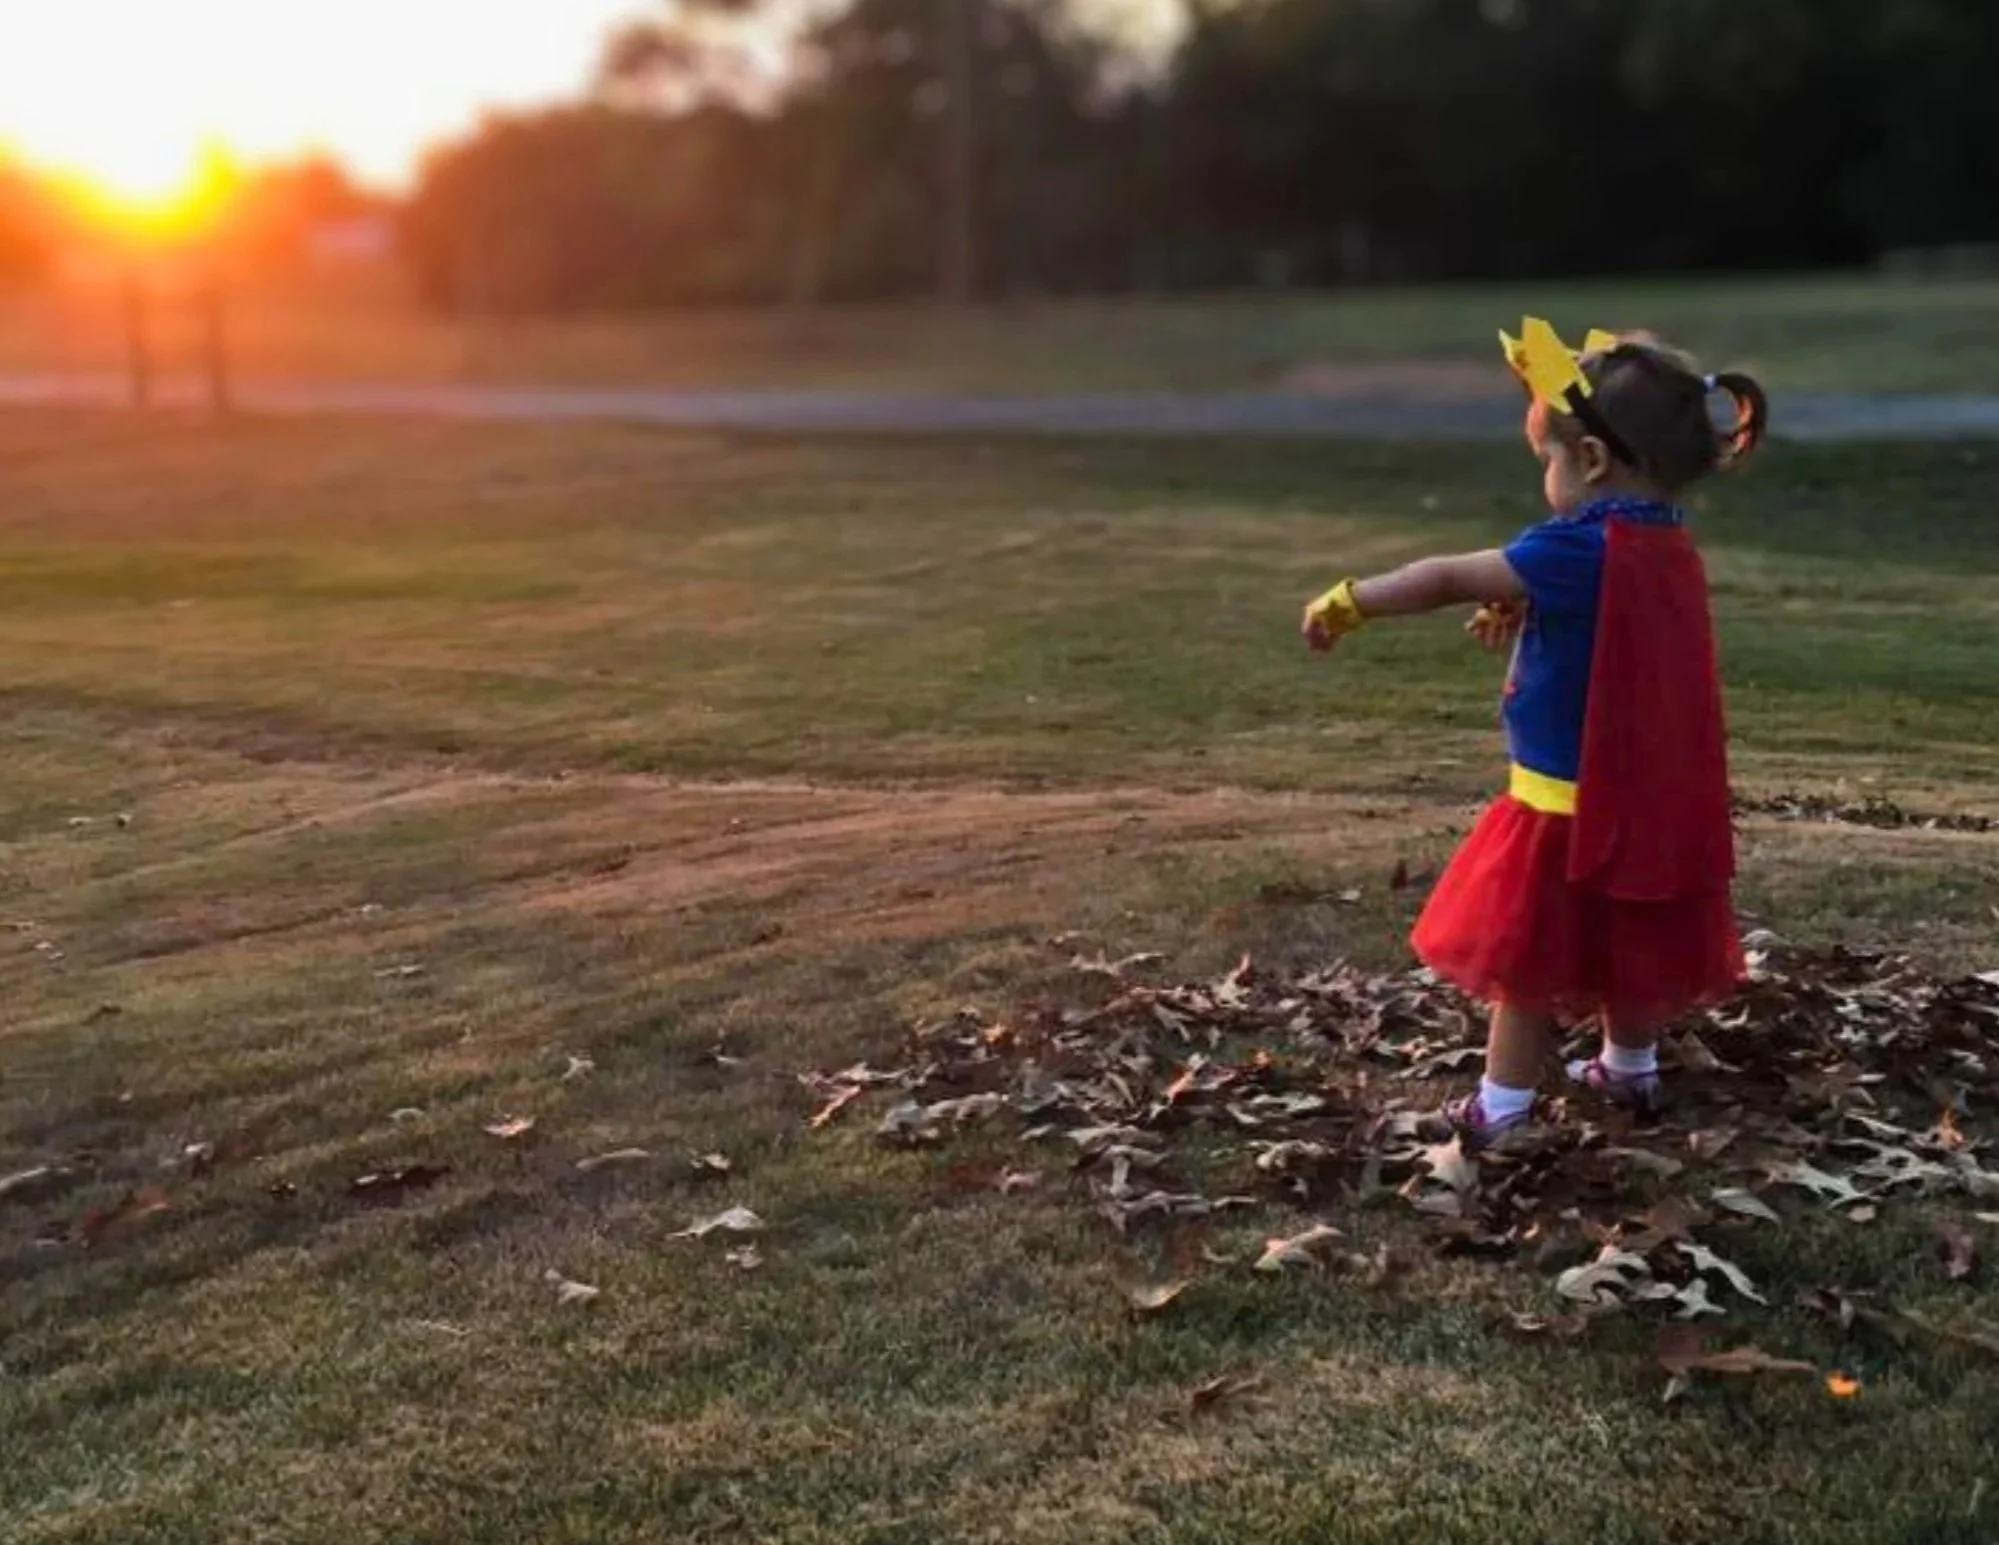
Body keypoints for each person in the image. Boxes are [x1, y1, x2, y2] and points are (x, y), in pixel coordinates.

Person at [1301, 318, 1769, 1144]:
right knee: (1629, 938)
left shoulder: (1575, 544)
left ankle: (1501, 1107)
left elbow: (1445, 576)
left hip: (1564, 802)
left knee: (1524, 963)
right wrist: (1531, 606)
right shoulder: (1663, 540)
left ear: (1588, 460)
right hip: (1648, 794)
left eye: (1548, 458)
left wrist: (1351, 600)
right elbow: (1617, 630)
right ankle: (1629, 1067)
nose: (1546, 475)